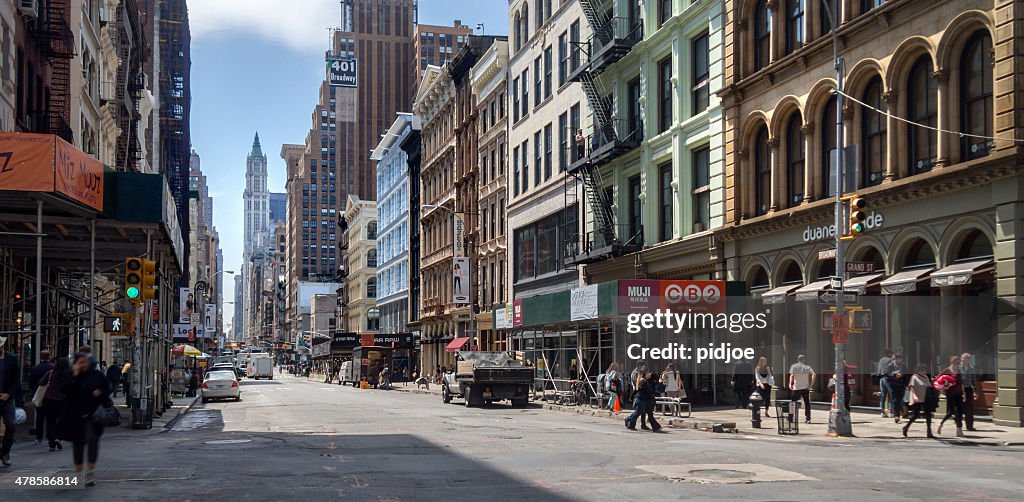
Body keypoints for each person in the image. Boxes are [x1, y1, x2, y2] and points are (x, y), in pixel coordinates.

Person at [59, 353, 112, 486]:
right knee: (78, 443)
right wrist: (74, 375)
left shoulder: (96, 375)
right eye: (80, 362)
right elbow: (64, 389)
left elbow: (107, 389)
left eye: (85, 362)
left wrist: (99, 393)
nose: (84, 365)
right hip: (75, 415)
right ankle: (78, 473)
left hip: (93, 414)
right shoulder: (70, 375)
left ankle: (90, 473)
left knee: (92, 441)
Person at [0, 335, 24, 466]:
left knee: (10, 425)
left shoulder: (11, 358)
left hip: (7, 398)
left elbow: (16, 380)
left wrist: (8, 394)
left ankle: (5, 452)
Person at [42, 357, 72, 451]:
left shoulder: (51, 373)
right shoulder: (69, 375)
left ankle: (51, 444)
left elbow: (41, 382)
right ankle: (58, 438)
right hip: (63, 400)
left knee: (50, 422)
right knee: (62, 421)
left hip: (49, 399)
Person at [936, 355, 967, 437]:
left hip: (959, 394)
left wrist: (964, 393)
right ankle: (940, 424)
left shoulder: (959, 372)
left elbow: (961, 383)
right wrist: (943, 388)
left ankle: (959, 430)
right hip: (950, 394)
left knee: (960, 412)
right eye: (957, 363)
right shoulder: (947, 371)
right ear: (953, 363)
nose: (958, 364)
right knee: (951, 412)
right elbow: (938, 380)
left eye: (959, 363)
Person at [904, 365, 937, 438]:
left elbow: (929, 386)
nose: (923, 372)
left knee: (928, 415)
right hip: (918, 399)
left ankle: (929, 432)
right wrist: (914, 396)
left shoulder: (926, 377)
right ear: (918, 371)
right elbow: (912, 388)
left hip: (926, 398)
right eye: (921, 370)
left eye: (924, 370)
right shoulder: (914, 377)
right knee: (915, 415)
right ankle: (906, 427)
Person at [29, 351, 54, 444]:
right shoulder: (53, 368)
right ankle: (49, 436)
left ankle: (39, 437)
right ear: (49, 357)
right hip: (50, 395)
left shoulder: (35, 368)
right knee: (50, 417)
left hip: (39, 394)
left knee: (39, 416)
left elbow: (31, 383)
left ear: (40, 357)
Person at [789, 355, 816, 424]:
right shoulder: (807, 367)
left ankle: (791, 418)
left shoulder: (794, 366)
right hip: (805, 388)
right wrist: (811, 385)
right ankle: (808, 418)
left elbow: (792, 375)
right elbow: (814, 375)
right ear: (804, 360)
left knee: (793, 403)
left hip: (796, 387)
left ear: (798, 360)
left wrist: (790, 384)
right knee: (807, 403)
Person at [884, 354, 908, 423]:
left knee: (900, 399)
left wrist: (906, 384)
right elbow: (886, 375)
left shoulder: (904, 366)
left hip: (901, 384)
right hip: (893, 384)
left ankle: (901, 412)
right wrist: (895, 375)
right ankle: (896, 415)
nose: (901, 360)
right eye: (900, 358)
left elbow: (907, 375)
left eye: (902, 358)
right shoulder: (890, 366)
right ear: (896, 359)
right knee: (895, 399)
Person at [960, 353, 977, 431]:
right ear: (961, 359)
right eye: (964, 358)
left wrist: (975, 391)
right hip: (960, 390)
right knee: (959, 408)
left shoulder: (972, 369)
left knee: (969, 409)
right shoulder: (958, 368)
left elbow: (974, 381)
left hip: (968, 390)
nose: (965, 360)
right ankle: (958, 425)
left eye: (967, 358)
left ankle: (970, 426)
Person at [876, 348, 894, 417]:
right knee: (891, 394)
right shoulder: (890, 360)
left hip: (881, 378)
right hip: (888, 378)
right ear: (889, 354)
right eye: (891, 353)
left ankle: (882, 412)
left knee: (883, 395)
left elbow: (878, 371)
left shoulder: (881, 360)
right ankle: (891, 412)